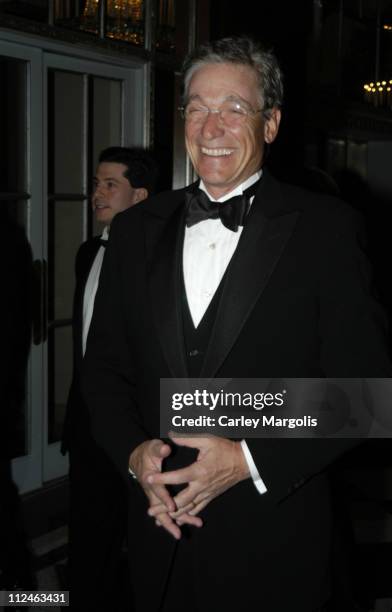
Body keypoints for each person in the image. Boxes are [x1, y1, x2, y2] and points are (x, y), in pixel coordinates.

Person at [82, 38, 392, 612]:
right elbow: (102, 372)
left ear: (271, 123)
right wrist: (132, 454)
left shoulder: (327, 229)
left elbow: (369, 394)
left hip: (274, 543)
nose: (211, 127)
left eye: (234, 108)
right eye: (197, 108)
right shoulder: (135, 230)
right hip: (159, 537)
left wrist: (248, 458)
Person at [61, 146, 158, 611]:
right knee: (88, 533)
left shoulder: (158, 264)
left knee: (147, 539)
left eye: (109, 185)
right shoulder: (86, 254)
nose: (96, 193)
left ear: (139, 196)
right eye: (96, 184)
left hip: (141, 428)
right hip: (87, 423)